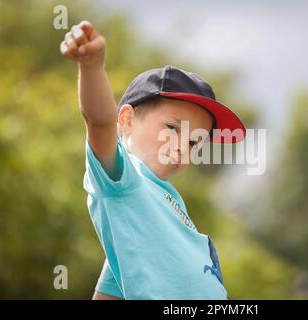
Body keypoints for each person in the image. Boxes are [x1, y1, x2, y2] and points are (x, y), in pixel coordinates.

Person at [60, 20, 246, 299]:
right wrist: (92, 66)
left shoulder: (160, 200)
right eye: (172, 128)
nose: (183, 146)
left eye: (195, 141)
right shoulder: (124, 179)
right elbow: (100, 122)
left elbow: (114, 281)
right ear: (126, 120)